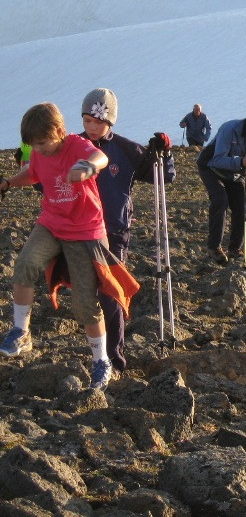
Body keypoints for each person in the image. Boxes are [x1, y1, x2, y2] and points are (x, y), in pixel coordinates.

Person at [0, 102, 139, 391]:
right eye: (32, 145)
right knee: (25, 263)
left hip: (85, 232)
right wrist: (8, 183)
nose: (37, 149)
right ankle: (20, 331)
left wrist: (87, 167)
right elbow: (33, 173)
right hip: (51, 223)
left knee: (86, 303)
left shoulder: (76, 145)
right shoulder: (40, 153)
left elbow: (99, 157)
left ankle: (102, 361)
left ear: (60, 132)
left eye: (42, 143)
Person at [79, 88, 176, 375]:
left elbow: (164, 176)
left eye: (98, 121)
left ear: (110, 121)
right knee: (87, 294)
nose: (92, 127)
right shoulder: (73, 146)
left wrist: (165, 153)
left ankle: (115, 359)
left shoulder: (124, 149)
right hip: (79, 231)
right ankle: (99, 354)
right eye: (87, 121)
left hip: (114, 233)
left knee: (110, 294)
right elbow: (49, 179)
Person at [197, 109, 246, 263]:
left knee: (243, 206)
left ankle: (235, 249)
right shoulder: (230, 129)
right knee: (220, 200)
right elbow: (218, 159)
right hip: (211, 167)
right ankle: (214, 248)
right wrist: (240, 161)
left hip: (235, 173)